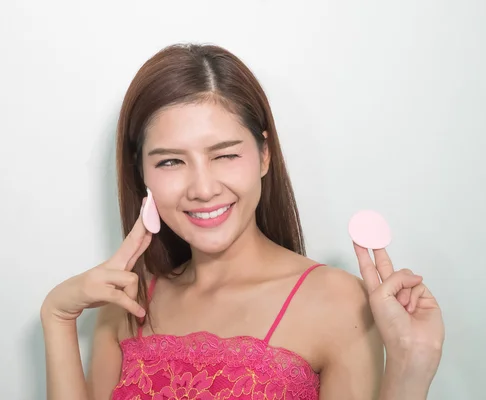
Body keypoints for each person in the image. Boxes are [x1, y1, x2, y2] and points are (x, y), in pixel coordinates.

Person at [41, 43, 444, 400]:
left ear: (264, 155)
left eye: (224, 155)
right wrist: (57, 317)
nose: (202, 188)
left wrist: (411, 367)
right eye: (170, 161)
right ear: (141, 174)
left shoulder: (340, 302)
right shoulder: (127, 301)